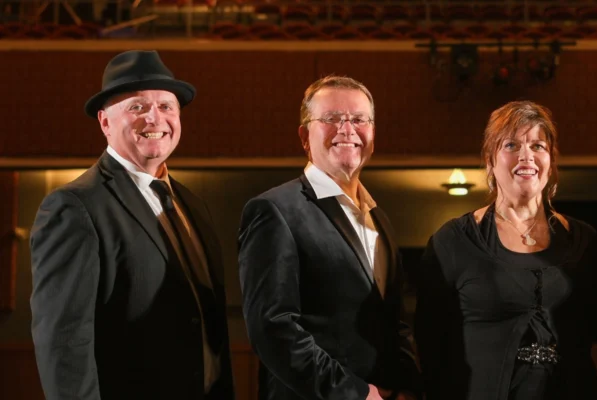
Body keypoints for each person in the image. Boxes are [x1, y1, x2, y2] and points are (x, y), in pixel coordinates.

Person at [30, 50, 235, 400]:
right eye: (137, 107)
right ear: (105, 122)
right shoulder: (74, 207)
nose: (155, 118)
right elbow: (64, 345)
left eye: (167, 107)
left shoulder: (192, 205)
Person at [238, 75, 420, 400]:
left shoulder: (378, 218)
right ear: (305, 136)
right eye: (332, 119)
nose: (347, 129)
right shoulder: (273, 210)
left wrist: (408, 389)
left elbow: (394, 320)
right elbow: (273, 329)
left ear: (373, 133)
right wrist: (356, 394)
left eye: (359, 119)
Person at [414, 101, 597, 400]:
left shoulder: (584, 242)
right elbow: (431, 343)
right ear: (490, 159)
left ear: (551, 160)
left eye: (538, 145)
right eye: (512, 144)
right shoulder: (452, 242)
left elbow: (592, 329)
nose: (526, 156)